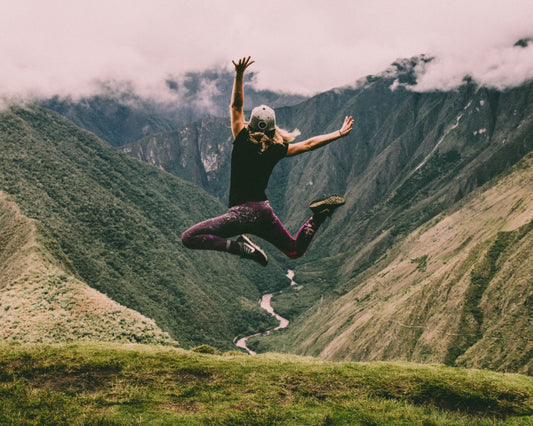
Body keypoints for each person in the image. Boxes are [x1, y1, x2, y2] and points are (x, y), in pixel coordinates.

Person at [182, 56, 354, 266]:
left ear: (250, 124)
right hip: (263, 213)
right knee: (294, 250)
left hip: (240, 215)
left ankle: (241, 248)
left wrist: (239, 74)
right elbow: (309, 144)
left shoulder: (242, 138)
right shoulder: (277, 148)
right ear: (273, 128)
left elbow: (236, 106)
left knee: (189, 238)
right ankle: (318, 216)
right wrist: (338, 133)